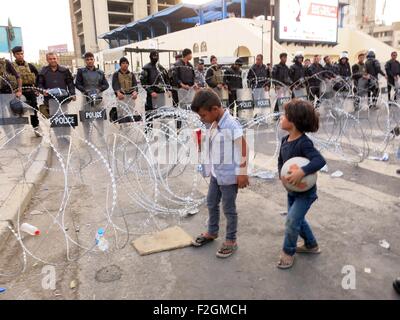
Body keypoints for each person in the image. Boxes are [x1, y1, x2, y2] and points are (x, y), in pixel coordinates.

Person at [191, 89, 249, 258]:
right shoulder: (214, 122)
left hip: (230, 176)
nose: (202, 119)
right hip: (218, 174)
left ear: (214, 109)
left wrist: (242, 172)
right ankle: (212, 231)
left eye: (203, 115)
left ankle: (231, 240)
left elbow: (243, 147)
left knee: (228, 208)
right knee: (211, 202)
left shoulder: (230, 124)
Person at [277, 99, 326, 269]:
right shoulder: (285, 141)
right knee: (297, 219)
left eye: (284, 115)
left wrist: (302, 171)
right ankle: (311, 245)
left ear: (294, 121)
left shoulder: (304, 143)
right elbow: (281, 161)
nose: (281, 118)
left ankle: (288, 252)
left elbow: (320, 160)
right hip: (292, 191)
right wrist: (281, 175)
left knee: (291, 220)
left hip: (306, 193)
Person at [11, 46, 40, 136]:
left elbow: (38, 77)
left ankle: (36, 128)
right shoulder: (11, 67)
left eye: (21, 53)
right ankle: (18, 130)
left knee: (33, 109)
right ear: (14, 55)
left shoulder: (30, 66)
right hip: (17, 91)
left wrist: (36, 88)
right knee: (16, 110)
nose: (20, 56)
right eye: (18, 54)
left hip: (30, 90)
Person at [140, 50, 170, 131]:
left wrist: (168, 89)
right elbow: (143, 82)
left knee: (162, 114)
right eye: (153, 56)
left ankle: (164, 132)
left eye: (156, 56)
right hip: (151, 96)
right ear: (150, 57)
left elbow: (166, 79)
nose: (155, 58)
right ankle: (149, 134)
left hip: (160, 95)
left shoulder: (160, 67)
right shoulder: (146, 68)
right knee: (149, 115)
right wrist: (151, 92)